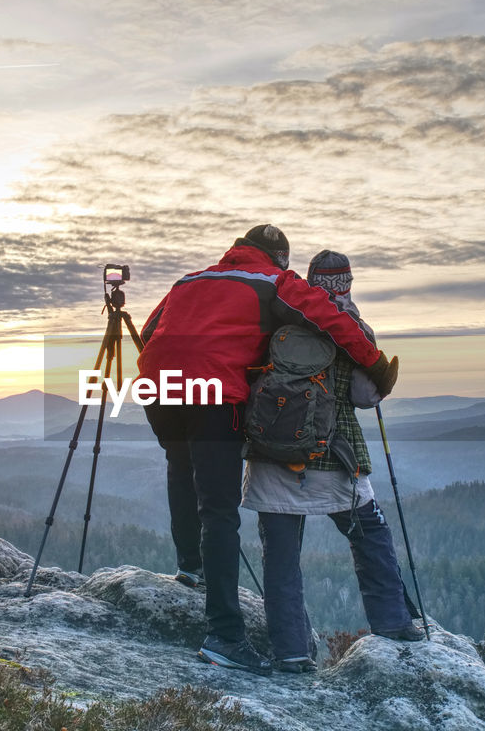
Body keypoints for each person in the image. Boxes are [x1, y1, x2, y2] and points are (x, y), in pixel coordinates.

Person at [138, 226, 398, 675]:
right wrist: (375, 363)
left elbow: (149, 329)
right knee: (219, 509)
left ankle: (190, 567)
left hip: (159, 387)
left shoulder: (189, 280)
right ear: (279, 258)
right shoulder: (275, 282)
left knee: (181, 466)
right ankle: (225, 636)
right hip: (215, 394)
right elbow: (330, 319)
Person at [242, 249, 422, 674]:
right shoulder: (350, 328)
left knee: (281, 557)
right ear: (347, 284)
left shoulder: (276, 321)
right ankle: (393, 625)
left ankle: (290, 652)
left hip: (271, 459)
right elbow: (364, 396)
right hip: (334, 458)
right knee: (370, 537)